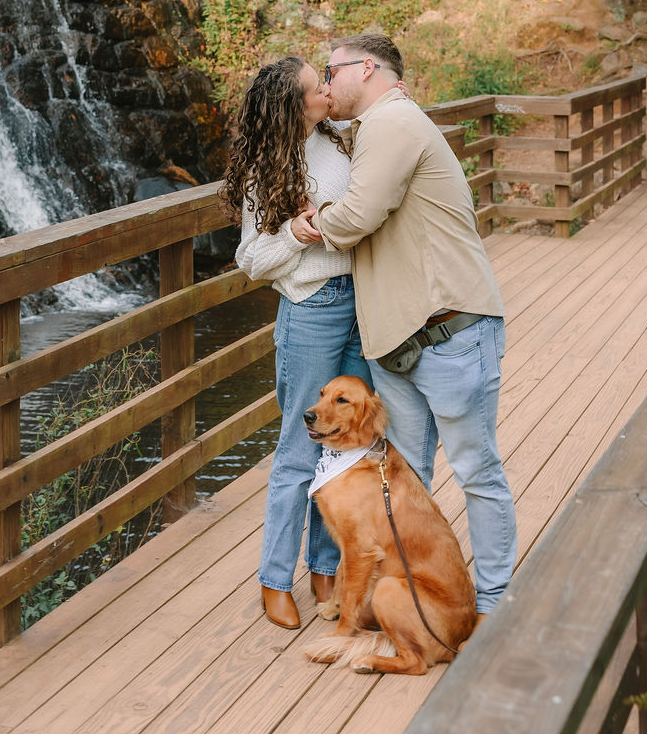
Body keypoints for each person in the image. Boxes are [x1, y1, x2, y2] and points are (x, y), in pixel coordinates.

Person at [306, 31, 517, 617]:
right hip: (401, 342)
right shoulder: (373, 130)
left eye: (332, 71)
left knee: (476, 471)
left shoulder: (393, 122)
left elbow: (356, 217)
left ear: (367, 68)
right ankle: (412, 598)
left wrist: (308, 222)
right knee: (403, 480)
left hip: (449, 332)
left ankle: (495, 604)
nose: (326, 84)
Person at [219, 54, 372, 631]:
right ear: (293, 105)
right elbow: (252, 260)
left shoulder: (341, 142)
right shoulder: (266, 167)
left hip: (363, 304)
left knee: (346, 444)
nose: (327, 92)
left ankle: (325, 569)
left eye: (326, 83)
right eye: (316, 88)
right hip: (311, 311)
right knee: (299, 451)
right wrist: (295, 233)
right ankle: (274, 580)